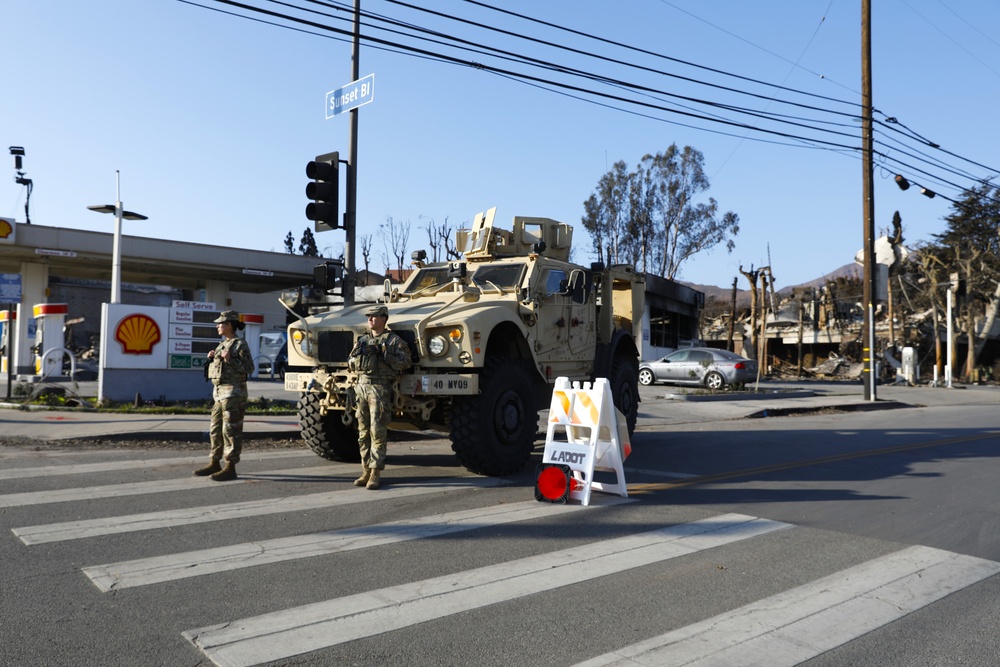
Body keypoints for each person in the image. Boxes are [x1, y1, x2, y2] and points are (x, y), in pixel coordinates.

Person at [348, 304, 412, 489]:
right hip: (361, 387)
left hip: (379, 388)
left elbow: (406, 362)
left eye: (374, 317)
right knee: (362, 432)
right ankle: (365, 470)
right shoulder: (362, 340)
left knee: (378, 431)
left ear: (384, 319)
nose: (370, 319)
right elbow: (350, 361)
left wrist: (385, 356)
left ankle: (375, 472)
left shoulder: (393, 341)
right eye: (369, 316)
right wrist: (357, 358)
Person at [194, 310, 255, 481]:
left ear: (229, 325)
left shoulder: (240, 344)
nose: (217, 326)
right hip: (219, 393)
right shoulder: (222, 344)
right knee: (215, 430)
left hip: (233, 393)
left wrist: (230, 360)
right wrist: (213, 358)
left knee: (231, 430)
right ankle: (214, 462)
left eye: (220, 324)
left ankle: (230, 466)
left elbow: (250, 368)